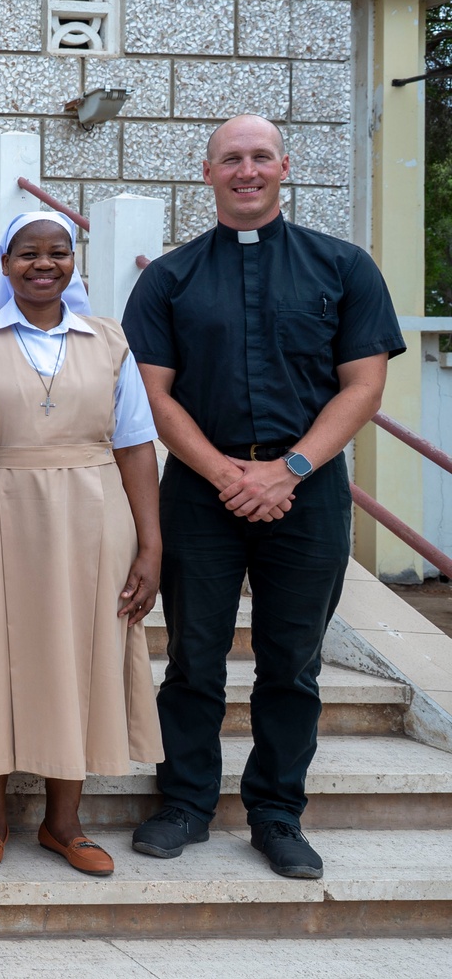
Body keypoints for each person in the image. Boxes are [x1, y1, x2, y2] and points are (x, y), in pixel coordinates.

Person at [122, 115, 403, 880]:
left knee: (292, 663)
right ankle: (183, 802)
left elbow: (365, 383)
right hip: (200, 493)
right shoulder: (166, 279)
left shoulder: (344, 267)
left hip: (306, 495)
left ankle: (277, 814)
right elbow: (153, 393)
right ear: (207, 172)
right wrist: (224, 473)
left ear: (285, 166)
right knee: (193, 658)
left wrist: (291, 469)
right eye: (231, 159)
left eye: (259, 158)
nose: (246, 171)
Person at [0, 211, 164, 877]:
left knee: (82, 654)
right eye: (27, 254)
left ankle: (63, 821)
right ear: (5, 262)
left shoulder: (109, 341)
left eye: (58, 254)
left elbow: (133, 446)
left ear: (75, 262)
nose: (44, 265)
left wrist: (152, 545)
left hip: (93, 515)